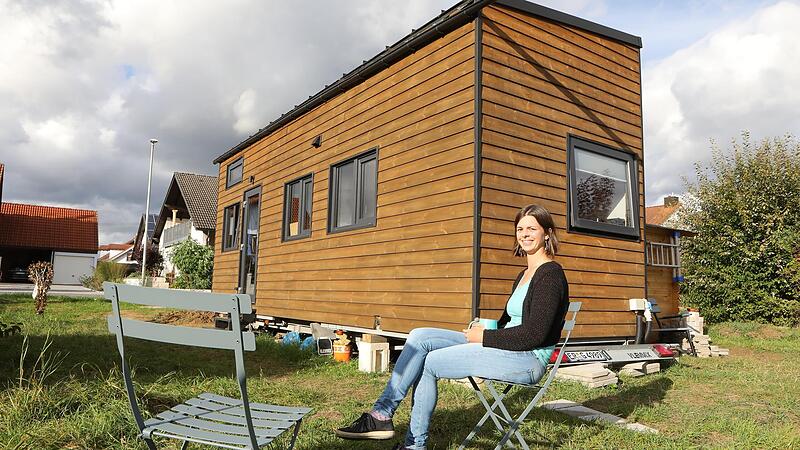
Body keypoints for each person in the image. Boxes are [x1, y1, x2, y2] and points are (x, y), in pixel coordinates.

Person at [334, 204, 571, 450]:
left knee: (429, 363)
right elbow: (508, 324)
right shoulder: (524, 274)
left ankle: (414, 445)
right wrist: (486, 328)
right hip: (508, 346)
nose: (524, 234)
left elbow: (535, 334)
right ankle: (381, 414)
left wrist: (485, 337)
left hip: (527, 359)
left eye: (532, 228)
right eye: (520, 228)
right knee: (420, 336)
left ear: (547, 233)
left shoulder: (550, 275)